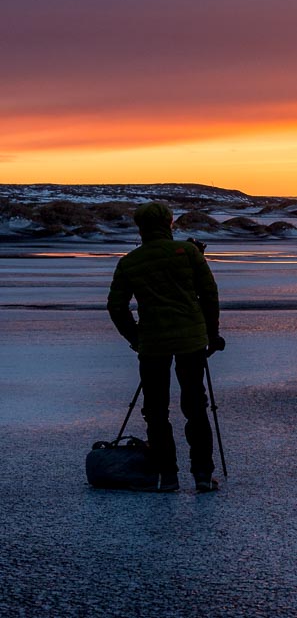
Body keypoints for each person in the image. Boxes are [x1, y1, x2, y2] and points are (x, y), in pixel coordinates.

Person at [107, 202, 225, 492]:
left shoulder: (130, 262)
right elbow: (209, 295)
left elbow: (116, 306)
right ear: (169, 223)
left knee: (156, 410)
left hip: (153, 343)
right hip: (191, 341)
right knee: (196, 407)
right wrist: (212, 334)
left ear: (140, 227)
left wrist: (135, 337)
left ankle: (167, 476)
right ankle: (202, 474)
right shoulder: (188, 253)